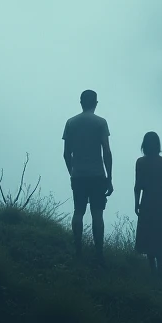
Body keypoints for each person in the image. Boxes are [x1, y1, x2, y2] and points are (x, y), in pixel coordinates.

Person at [62, 89, 113, 261]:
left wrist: (72, 172)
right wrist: (109, 177)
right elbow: (106, 150)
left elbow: (66, 153)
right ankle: (99, 253)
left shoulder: (71, 123)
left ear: (81, 102)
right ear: (95, 103)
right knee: (97, 214)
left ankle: (78, 251)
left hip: (78, 176)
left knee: (78, 211)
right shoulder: (100, 123)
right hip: (97, 175)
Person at [134, 131, 162, 273]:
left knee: (149, 235)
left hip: (147, 202)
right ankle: (161, 270)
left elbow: (138, 185)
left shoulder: (141, 162)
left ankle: (152, 269)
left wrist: (136, 204)